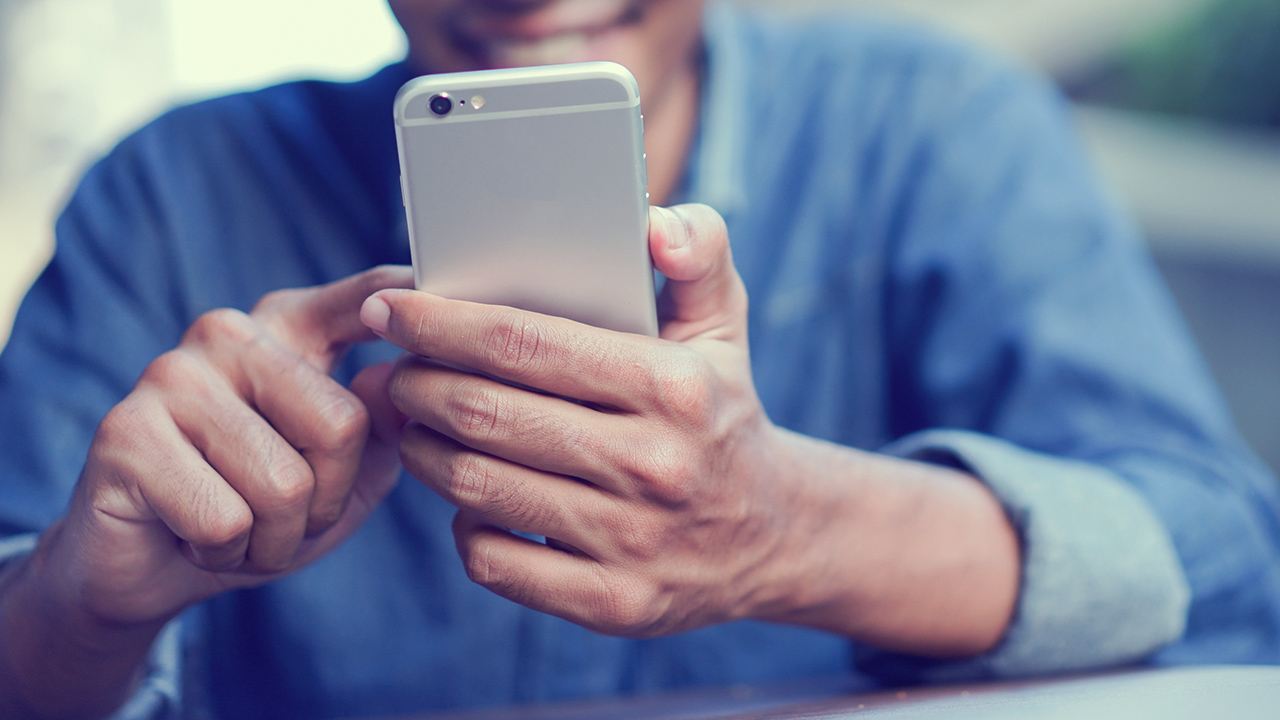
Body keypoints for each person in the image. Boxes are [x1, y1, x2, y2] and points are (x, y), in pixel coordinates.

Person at [0, 1, 1278, 718]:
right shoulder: (171, 195)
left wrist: (796, 533)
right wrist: (78, 603)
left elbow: (1222, 560)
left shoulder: (935, 129)